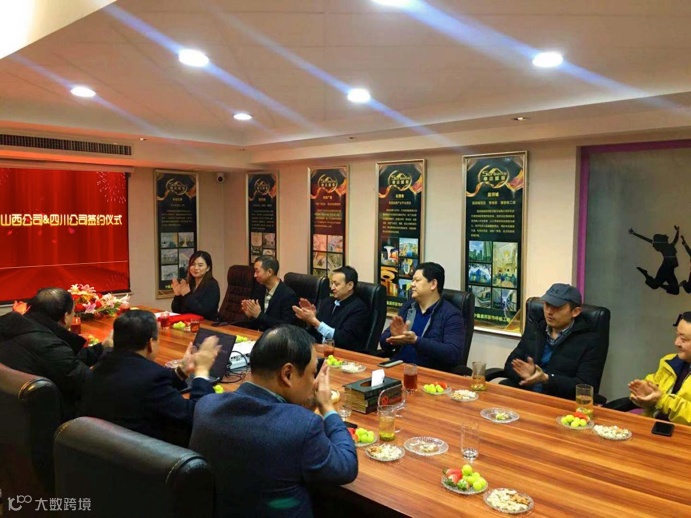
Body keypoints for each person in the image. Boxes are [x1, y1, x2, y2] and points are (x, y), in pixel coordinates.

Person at [190, 325, 358, 517]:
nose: (314, 383)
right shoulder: (303, 427)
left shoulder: (206, 406)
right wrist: (327, 407)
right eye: (313, 374)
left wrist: (300, 410)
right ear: (287, 374)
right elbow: (346, 466)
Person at [80, 310, 219, 446]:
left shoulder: (101, 365)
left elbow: (144, 388)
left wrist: (181, 371)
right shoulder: (152, 378)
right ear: (150, 344)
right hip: (151, 454)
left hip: (104, 450)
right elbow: (200, 416)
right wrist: (202, 371)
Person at [0, 287, 109, 419]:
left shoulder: (11, 327)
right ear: (65, 316)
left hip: (10, 412)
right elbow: (89, 385)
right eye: (73, 313)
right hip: (47, 417)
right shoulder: (48, 345)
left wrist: (101, 348)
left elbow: (66, 364)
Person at [502, 283, 606, 400]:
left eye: (557, 307)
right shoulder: (536, 329)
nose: (549, 312)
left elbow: (586, 386)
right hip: (527, 394)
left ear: (575, 312)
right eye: (547, 305)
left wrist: (547, 379)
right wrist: (527, 376)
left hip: (560, 401)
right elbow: (509, 365)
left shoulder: (590, 341)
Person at [379, 262, 465, 371]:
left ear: (433, 284)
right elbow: (383, 342)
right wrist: (393, 337)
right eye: (412, 280)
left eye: (417, 280)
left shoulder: (451, 315)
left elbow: (453, 354)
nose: (412, 284)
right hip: (398, 367)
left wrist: (416, 341)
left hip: (428, 374)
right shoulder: (408, 307)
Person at [628, 311, 691, 426]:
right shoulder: (669, 362)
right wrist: (644, 395)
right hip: (653, 426)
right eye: (677, 335)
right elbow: (653, 394)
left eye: (684, 339)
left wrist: (662, 400)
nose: (676, 343)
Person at [292, 265, 369, 350]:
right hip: (319, 349)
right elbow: (316, 333)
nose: (332, 288)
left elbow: (344, 338)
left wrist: (315, 321)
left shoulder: (359, 309)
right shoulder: (328, 302)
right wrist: (310, 318)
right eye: (332, 283)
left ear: (350, 285)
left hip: (341, 352)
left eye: (336, 284)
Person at [240, 255, 298, 331]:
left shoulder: (288, 295)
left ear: (269, 272)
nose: (254, 275)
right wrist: (250, 316)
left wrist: (259, 315)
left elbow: (286, 327)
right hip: (258, 335)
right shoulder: (259, 289)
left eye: (257, 271)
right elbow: (256, 324)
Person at [171, 250, 220, 321]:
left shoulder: (212, 285)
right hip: (189, 323)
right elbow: (176, 311)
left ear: (208, 268)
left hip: (206, 324)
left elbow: (203, 312)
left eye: (200, 265)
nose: (196, 268)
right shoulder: (189, 284)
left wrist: (187, 295)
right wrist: (177, 296)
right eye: (193, 264)